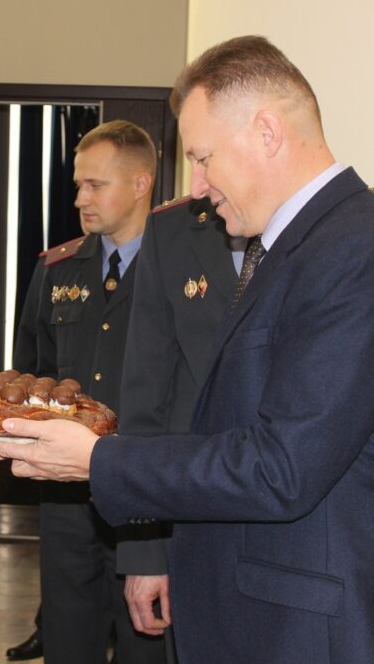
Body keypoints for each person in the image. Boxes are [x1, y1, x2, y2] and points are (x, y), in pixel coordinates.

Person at [0, 35, 374, 663]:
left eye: (205, 157)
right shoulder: (299, 246)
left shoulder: (360, 253)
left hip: (327, 635)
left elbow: (281, 467)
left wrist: (99, 462)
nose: (199, 184)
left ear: (266, 132)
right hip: (271, 623)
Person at [13, 120, 168, 664]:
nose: (80, 198)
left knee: (144, 643)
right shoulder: (56, 269)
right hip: (66, 497)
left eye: (95, 185)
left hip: (146, 490)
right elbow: (30, 374)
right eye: (78, 184)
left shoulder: (181, 269)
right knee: (68, 638)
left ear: (141, 183)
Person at [116, 194, 240, 660]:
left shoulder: (325, 228)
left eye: (206, 156)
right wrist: (147, 551)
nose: (200, 181)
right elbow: (147, 401)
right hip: (192, 519)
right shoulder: (171, 232)